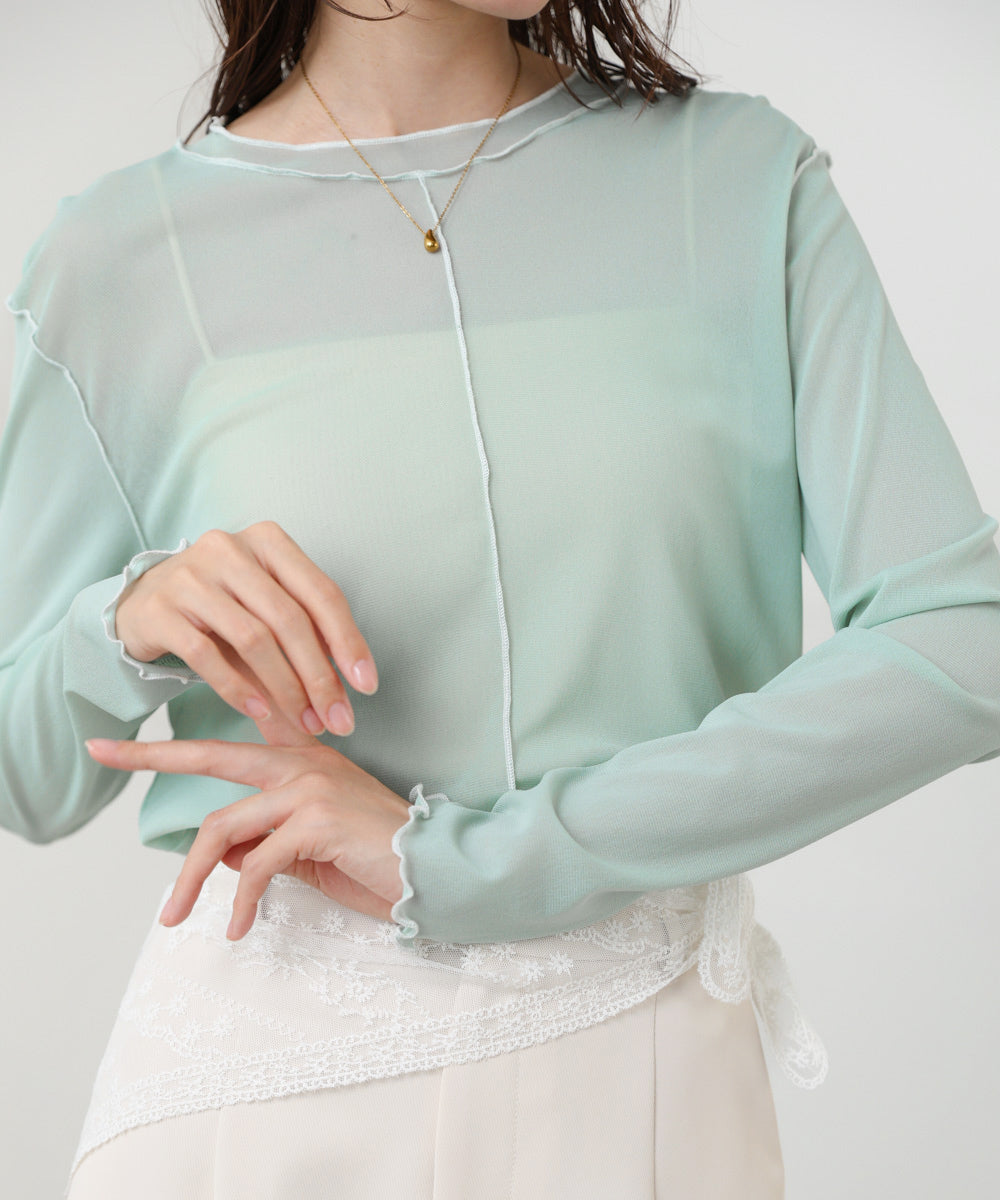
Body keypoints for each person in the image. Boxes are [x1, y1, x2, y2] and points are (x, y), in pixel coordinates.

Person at [2, 0, 998, 1196]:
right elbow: (22, 772)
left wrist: (484, 859)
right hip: (258, 1092)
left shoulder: (738, 182)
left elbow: (962, 637)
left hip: (644, 1073)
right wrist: (125, 623)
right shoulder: (118, 259)